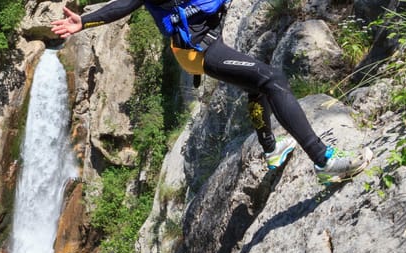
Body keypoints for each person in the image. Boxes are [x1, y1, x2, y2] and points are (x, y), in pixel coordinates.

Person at [50, 0, 373, 184]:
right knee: (271, 79)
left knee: (255, 84)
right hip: (200, 52)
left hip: (206, 43)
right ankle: (323, 162)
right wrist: (86, 22)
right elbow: (125, 3)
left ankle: (272, 150)